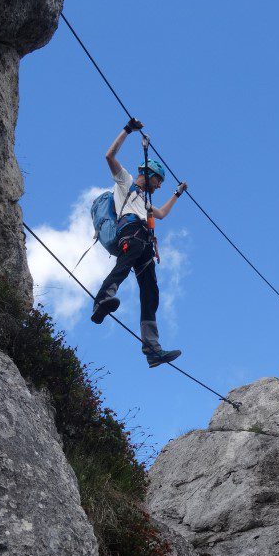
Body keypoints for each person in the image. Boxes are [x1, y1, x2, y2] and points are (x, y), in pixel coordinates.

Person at [91, 117, 186, 368]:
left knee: (151, 291)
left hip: (144, 241)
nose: (160, 185)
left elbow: (162, 214)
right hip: (131, 233)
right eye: (159, 181)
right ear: (150, 174)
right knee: (126, 261)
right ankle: (102, 298)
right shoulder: (126, 182)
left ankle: (152, 348)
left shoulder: (145, 202)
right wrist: (127, 130)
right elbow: (109, 156)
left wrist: (177, 194)